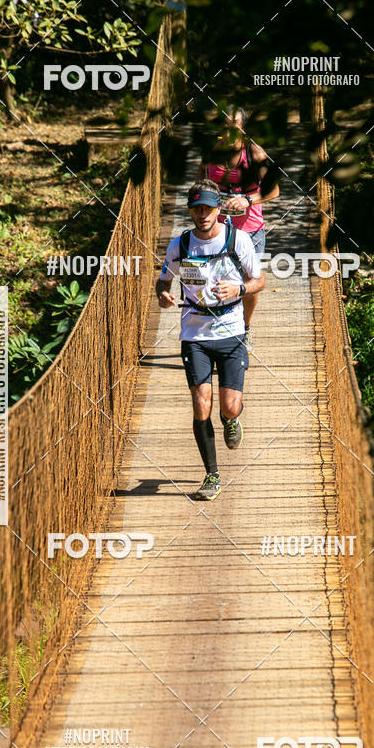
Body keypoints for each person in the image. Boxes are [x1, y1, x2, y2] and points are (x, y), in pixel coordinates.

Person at [156, 179, 266, 501]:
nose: (202, 214)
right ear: (191, 211)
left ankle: (230, 420)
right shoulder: (180, 245)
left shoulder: (238, 240)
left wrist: (239, 290)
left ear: (219, 209)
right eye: (196, 209)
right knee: (200, 403)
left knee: (229, 406)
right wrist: (163, 295)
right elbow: (163, 280)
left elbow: (260, 280)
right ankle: (211, 475)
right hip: (195, 335)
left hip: (231, 331)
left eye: (207, 208)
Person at [196, 106, 279, 354]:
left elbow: (274, 190)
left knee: (249, 281)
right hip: (217, 228)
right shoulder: (212, 152)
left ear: (243, 129)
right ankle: (218, 329)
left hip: (250, 229)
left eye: (235, 127)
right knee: (215, 276)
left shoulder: (254, 154)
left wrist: (247, 200)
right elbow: (199, 183)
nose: (230, 132)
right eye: (225, 127)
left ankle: (245, 328)